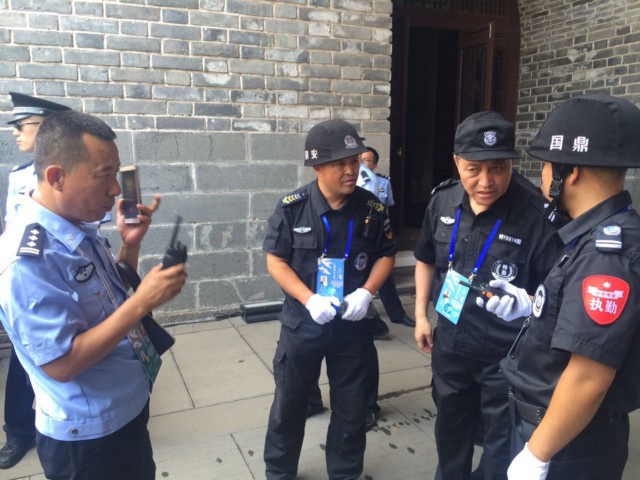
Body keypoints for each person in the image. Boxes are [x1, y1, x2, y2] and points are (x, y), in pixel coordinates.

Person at [0, 110, 187, 479]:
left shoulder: (75, 225)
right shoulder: (27, 261)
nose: (116, 189)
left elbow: (104, 294)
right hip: (89, 439)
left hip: (125, 408)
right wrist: (142, 302)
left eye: (116, 175)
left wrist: (130, 246)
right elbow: (61, 363)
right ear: (56, 177)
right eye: (104, 176)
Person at [486, 94, 640, 480]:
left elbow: (589, 375)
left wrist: (536, 455)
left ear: (569, 173)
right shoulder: (595, 234)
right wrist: (530, 305)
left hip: (566, 443)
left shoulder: (606, 254)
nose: (542, 176)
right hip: (559, 431)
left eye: (545, 166)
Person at [413, 111, 561, 480]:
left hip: (507, 356)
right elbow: (425, 259)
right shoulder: (443, 201)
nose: (486, 181)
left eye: (498, 168)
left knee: (502, 444)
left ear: (512, 163)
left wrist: (527, 302)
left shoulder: (536, 213)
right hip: (451, 344)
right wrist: (419, 316)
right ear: (457, 162)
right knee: (451, 432)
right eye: (474, 169)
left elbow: (555, 293)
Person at [262, 119, 396, 480]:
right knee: (289, 405)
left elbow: (386, 254)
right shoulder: (293, 208)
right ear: (317, 167)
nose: (351, 170)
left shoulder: (372, 207)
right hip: (304, 324)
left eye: (354, 161)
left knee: (352, 410)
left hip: (352, 325)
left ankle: (345, 473)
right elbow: (275, 261)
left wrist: (367, 292)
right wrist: (309, 299)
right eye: (340, 164)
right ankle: (279, 472)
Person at [0, 92, 71, 469]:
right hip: (26, 281)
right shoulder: (18, 176)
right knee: (23, 360)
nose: (15, 132)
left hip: (66, 277)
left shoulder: (72, 172)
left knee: (66, 355)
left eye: (21, 125)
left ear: (45, 128)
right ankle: (19, 431)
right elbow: (10, 231)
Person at [358, 146, 414, 328]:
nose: (363, 164)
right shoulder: (352, 180)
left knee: (384, 275)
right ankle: (368, 318)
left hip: (377, 234)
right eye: (360, 160)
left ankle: (397, 314)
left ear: (374, 164)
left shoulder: (382, 182)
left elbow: (387, 208)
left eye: (367, 161)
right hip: (357, 235)